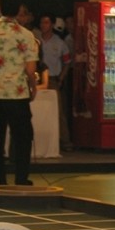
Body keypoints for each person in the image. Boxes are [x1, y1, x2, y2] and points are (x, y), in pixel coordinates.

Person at [0, 0, 38, 186]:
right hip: (18, 94)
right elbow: (30, 70)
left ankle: (0, 180)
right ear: (18, 10)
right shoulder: (26, 35)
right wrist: (33, 88)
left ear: (0, 8)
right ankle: (21, 179)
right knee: (22, 138)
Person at [35, 11, 73, 150]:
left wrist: (61, 78)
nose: (43, 25)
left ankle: (65, 140)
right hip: (37, 78)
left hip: (52, 78)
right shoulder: (36, 40)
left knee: (58, 110)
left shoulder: (59, 43)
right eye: (41, 22)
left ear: (51, 24)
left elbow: (67, 61)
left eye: (46, 22)